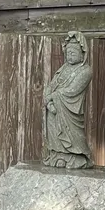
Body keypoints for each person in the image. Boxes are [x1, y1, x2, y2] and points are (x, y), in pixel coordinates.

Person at [43, 32, 93, 168]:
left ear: (82, 54)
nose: (69, 56)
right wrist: (48, 96)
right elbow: (52, 84)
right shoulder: (64, 68)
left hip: (70, 108)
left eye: (73, 53)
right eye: (68, 53)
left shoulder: (85, 71)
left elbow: (73, 90)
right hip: (55, 107)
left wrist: (52, 96)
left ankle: (76, 158)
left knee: (73, 134)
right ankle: (57, 156)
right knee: (54, 133)